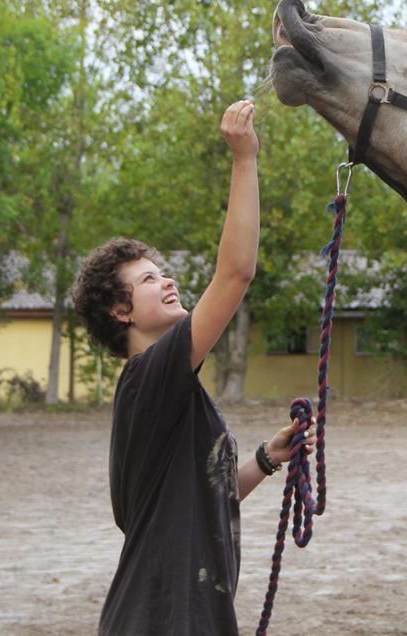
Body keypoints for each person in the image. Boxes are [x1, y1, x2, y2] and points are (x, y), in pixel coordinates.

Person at [71, 99, 314, 636]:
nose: (168, 281)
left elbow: (205, 498)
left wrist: (266, 460)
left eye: (163, 273)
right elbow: (236, 273)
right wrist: (244, 158)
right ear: (120, 311)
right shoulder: (149, 376)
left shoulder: (164, 391)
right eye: (149, 280)